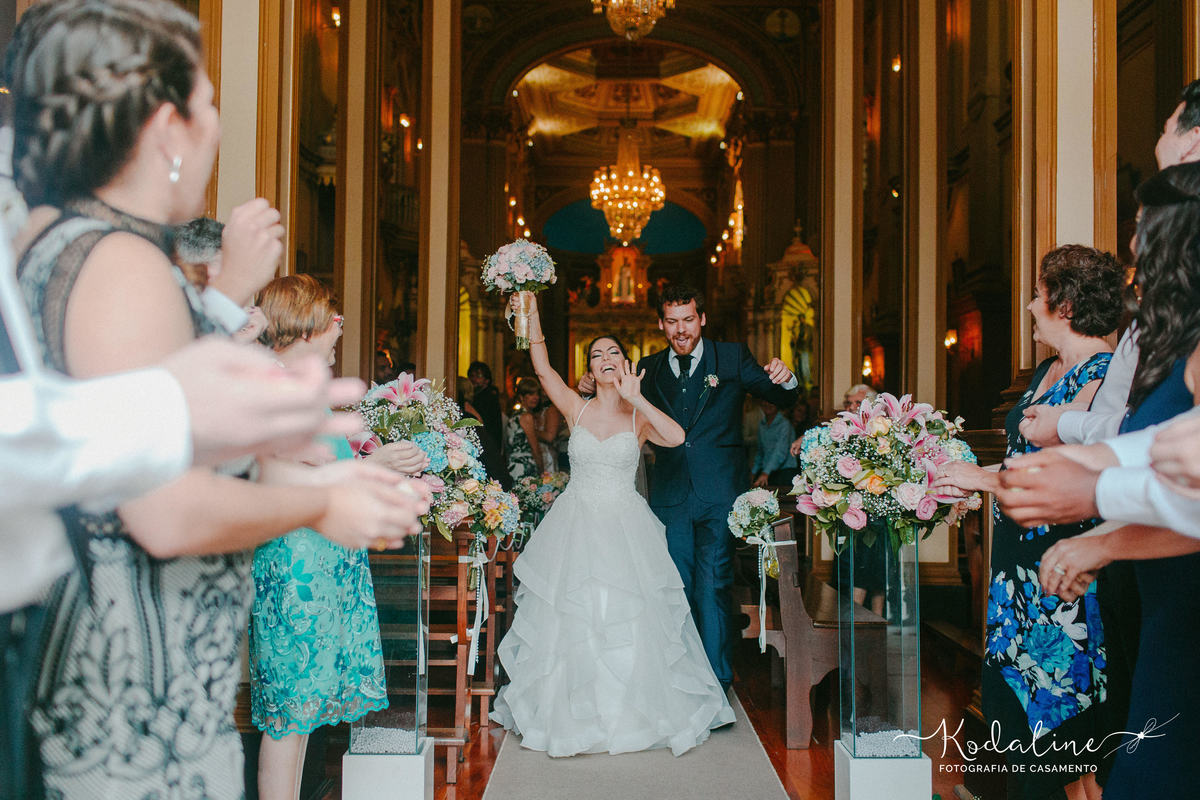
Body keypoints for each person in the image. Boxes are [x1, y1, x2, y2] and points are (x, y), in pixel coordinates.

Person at [8, 3, 425, 797]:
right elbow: (162, 510)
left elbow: (134, 448)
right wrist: (316, 507)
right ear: (167, 127)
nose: (213, 132)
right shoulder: (122, 265)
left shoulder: (51, 239)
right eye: (207, 109)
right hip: (132, 678)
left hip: (87, 649)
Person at [999, 163, 1200, 799]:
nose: (1135, 250)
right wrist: (1080, 476)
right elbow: (1149, 445)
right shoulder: (1171, 337)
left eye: (1147, 231)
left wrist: (1096, 518)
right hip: (1161, 581)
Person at [490, 291, 734, 756]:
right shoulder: (574, 408)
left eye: (614, 352)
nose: (605, 358)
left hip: (625, 526)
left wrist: (637, 397)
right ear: (590, 366)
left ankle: (630, 710)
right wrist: (532, 310)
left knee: (627, 616)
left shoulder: (637, 414)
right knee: (578, 614)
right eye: (597, 353)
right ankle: (573, 710)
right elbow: (542, 369)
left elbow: (678, 437)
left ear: (625, 363)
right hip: (577, 523)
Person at [931, 245, 1123, 799]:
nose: (1031, 306)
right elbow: (1022, 460)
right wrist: (968, 479)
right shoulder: (1046, 371)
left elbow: (1071, 473)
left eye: (1039, 295)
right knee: (1012, 734)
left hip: (1064, 583)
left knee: (1063, 758)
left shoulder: (1103, 374)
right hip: (1013, 579)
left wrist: (982, 479)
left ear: (1063, 304)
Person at [249, 275, 427, 800]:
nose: (339, 329)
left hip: (323, 554)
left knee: (303, 711)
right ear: (305, 323)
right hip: (295, 563)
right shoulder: (272, 387)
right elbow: (293, 464)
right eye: (333, 317)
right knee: (290, 712)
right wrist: (374, 461)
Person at [636, 285, 798, 690]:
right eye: (671, 322)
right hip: (669, 495)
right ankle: (677, 681)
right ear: (661, 324)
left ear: (702, 318)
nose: (681, 329)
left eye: (688, 319)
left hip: (720, 493)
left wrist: (787, 377)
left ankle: (715, 682)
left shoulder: (731, 356)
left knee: (713, 583)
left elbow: (777, 394)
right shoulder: (649, 367)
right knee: (675, 585)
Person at [505, 377, 554, 481]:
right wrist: (542, 472)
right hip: (525, 466)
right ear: (521, 397)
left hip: (513, 465)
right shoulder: (526, 417)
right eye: (531, 394)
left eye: (537, 394)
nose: (535, 397)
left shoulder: (514, 415)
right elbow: (535, 448)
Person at [751, 398, 797, 487]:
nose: (768, 404)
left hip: (785, 472)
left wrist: (765, 473)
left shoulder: (784, 424)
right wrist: (753, 472)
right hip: (767, 472)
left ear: (777, 404)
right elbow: (760, 451)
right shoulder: (762, 424)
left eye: (771, 402)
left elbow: (780, 452)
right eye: (765, 401)